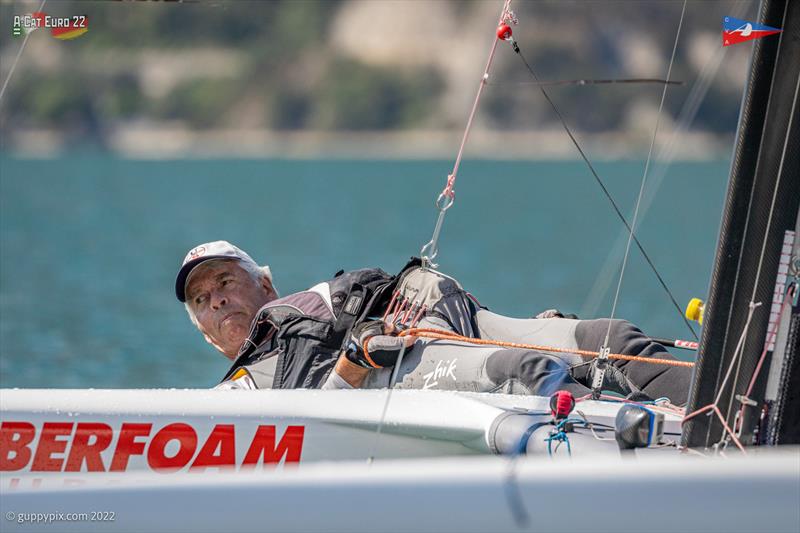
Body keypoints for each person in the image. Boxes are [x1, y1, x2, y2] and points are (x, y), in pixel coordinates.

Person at [176, 241, 691, 403]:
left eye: (224, 281)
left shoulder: (313, 299)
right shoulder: (235, 398)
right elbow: (306, 431)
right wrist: (352, 366)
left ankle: (735, 411)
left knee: (609, 339)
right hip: (388, 370)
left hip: (444, 319)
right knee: (528, 371)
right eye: (201, 299)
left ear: (265, 285)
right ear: (200, 327)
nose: (216, 300)